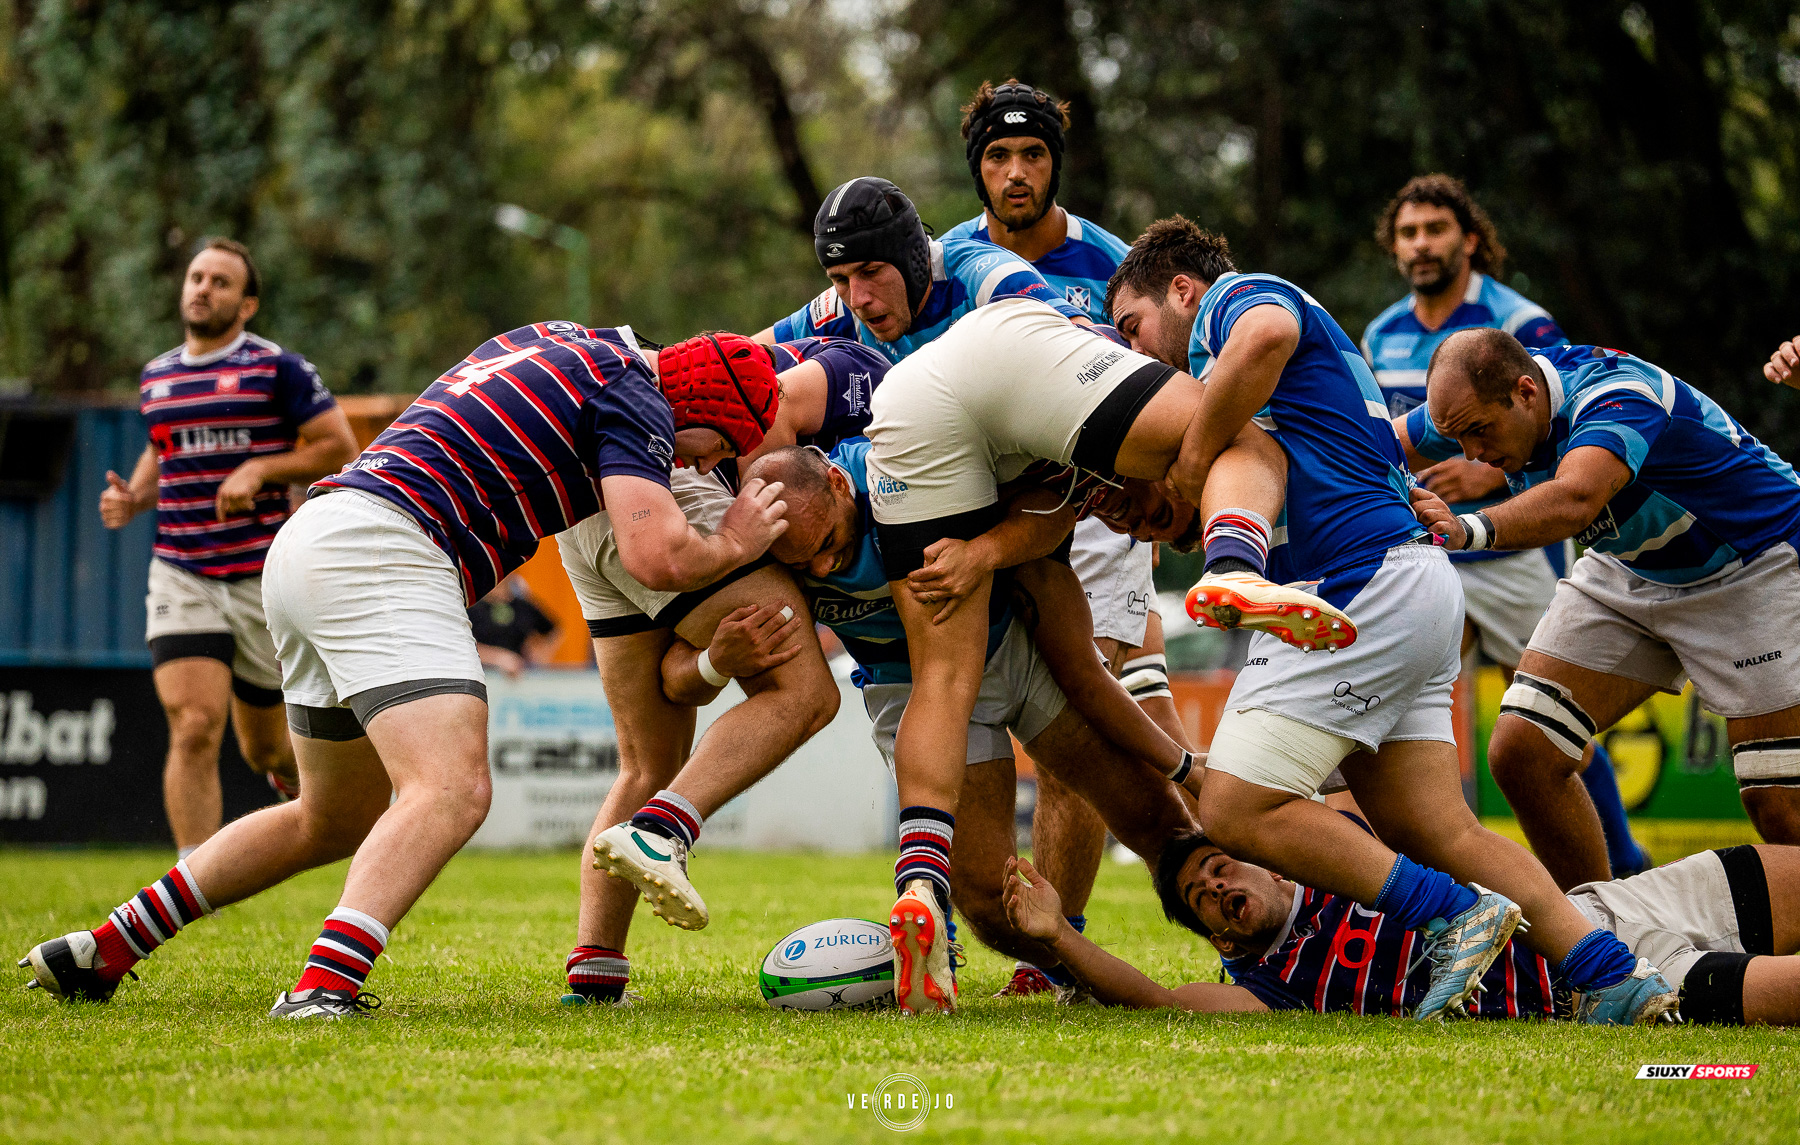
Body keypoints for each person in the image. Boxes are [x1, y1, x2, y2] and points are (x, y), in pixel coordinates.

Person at [19, 320, 787, 1018]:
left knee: (333, 818)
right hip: (386, 548)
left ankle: (109, 945)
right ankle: (322, 989)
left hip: (311, 539)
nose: (700, 465)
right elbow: (656, 555)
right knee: (452, 786)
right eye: (713, 446)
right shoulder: (637, 393)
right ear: (697, 400)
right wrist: (737, 542)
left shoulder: (566, 339)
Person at [1101, 216, 1674, 1023]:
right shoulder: (1250, 378)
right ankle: (1614, 974)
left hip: (1358, 583)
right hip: (1408, 586)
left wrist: (1190, 463)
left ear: (1184, 290)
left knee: (1229, 808)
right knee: (1439, 829)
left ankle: (1451, 914)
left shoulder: (1237, 304)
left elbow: (1264, 335)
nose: (1136, 350)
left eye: (1135, 325)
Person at [716, 442, 1198, 1012]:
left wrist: (985, 553)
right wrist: (715, 658)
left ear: (839, 484)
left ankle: (1262, 951)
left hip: (1013, 648)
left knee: (1159, 823)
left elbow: (1049, 508)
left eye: (826, 545)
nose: (822, 569)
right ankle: (1070, 969)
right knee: (989, 902)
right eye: (803, 565)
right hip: (909, 687)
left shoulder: (910, 468)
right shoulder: (759, 546)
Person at [945, 78, 1188, 996]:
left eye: (1033, 155)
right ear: (977, 168)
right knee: (960, 727)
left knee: (1070, 737)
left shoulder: (1114, 264)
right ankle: (965, 910)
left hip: (1097, 522)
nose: (1016, 172)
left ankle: (1059, 951)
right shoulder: (941, 260)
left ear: (1056, 162)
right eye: (999, 157)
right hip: (981, 512)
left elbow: (1171, 382)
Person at [560, 333, 882, 1005]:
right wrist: (733, 533)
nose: (714, 461)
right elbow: (746, 422)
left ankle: (594, 974)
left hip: (585, 510)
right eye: (725, 448)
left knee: (647, 760)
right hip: (650, 498)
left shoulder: (780, 371)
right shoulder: (812, 396)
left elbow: (674, 679)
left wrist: (711, 660)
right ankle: (660, 831)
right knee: (805, 692)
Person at [1403, 330, 1800, 856]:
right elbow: (1372, 441)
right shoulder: (1471, 399)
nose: (1472, 454)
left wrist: (1466, 529)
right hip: (1629, 565)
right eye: (1458, 438)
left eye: (1479, 432)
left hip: (1750, 566)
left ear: (1526, 392)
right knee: (1522, 754)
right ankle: (1591, 936)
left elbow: (1575, 499)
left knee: (1780, 808)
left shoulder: (1616, 397)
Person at [1365, 175, 1649, 881]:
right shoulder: (1380, 332)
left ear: (1469, 237)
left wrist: (1485, 479)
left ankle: (1619, 860)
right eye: (1408, 232)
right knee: (1413, 709)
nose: (1421, 243)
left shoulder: (1520, 320)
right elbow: (1387, 439)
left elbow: (1557, 421)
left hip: (1517, 557)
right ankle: (1441, 874)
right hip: (1429, 556)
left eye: (1435, 228)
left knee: (1553, 721)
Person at [100, 238, 357, 854]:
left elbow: (338, 447)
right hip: (181, 571)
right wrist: (135, 498)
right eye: (196, 277)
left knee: (265, 746)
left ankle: (299, 783)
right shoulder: (157, 375)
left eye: (220, 282)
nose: (202, 289)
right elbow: (165, 448)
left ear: (247, 305)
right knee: (192, 726)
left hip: (259, 577)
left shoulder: (279, 369)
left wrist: (260, 471)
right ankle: (194, 881)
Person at [1004, 830, 1796, 1025]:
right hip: (1608, 986)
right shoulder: (1268, 987)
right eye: (1201, 897)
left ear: (1272, 865)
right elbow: (1160, 1003)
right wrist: (1056, 937)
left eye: (1221, 866)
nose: (1216, 886)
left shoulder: (1333, 855)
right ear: (1220, 939)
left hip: (1602, 904)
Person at [469, 575, 561, 678]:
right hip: (481, 675)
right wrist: (498, 658)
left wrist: (541, 655)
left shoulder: (522, 606)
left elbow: (553, 629)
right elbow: (464, 644)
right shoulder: (472, 608)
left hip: (517, 677)